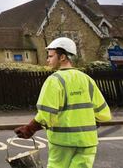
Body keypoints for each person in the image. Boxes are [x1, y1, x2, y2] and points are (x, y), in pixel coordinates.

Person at [14, 37, 112, 168]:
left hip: (63, 142)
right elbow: (103, 113)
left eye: (51, 56)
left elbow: (46, 114)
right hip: (88, 141)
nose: (48, 60)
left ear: (62, 57)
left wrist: (30, 128)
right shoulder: (87, 79)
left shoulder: (54, 80)